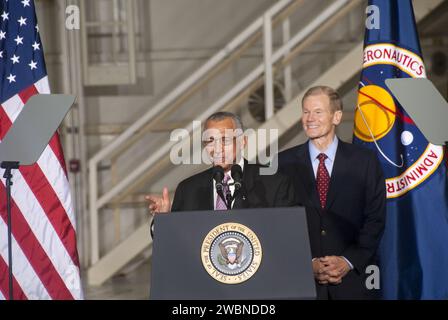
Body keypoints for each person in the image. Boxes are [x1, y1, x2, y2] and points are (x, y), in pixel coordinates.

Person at [278, 86, 386, 299]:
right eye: (306, 111)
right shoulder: (282, 163)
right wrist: (308, 263)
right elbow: (279, 223)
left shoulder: (365, 161)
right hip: (302, 284)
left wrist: (347, 262)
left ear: (336, 117)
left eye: (318, 111)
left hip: (355, 283)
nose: (310, 118)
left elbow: (376, 219)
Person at [146, 111, 297, 214]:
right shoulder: (188, 190)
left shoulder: (274, 182)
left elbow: (287, 233)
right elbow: (178, 243)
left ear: (242, 141)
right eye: (211, 141)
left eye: (225, 140)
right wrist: (165, 220)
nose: (217, 148)